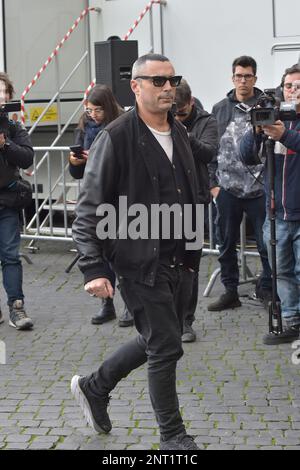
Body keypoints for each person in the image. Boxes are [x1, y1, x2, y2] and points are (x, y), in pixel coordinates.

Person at [71, 53, 201, 450]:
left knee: (158, 337)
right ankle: (173, 437)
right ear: (136, 86)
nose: (167, 88)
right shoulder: (117, 136)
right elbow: (88, 208)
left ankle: (95, 387)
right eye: (157, 81)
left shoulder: (178, 131)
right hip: (138, 260)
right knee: (165, 346)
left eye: (171, 80)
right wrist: (94, 268)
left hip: (181, 257)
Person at [240, 64, 300, 344]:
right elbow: (248, 157)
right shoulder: (275, 119)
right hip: (276, 214)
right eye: (289, 86)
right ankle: (292, 321)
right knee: (281, 271)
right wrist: (256, 131)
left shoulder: (286, 129)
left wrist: (284, 136)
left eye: (299, 86)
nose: (294, 91)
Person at [207, 55, 272, 312]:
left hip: (260, 190)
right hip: (227, 189)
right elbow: (210, 149)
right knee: (226, 243)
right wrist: (213, 184)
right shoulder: (220, 108)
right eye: (238, 76)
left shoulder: (266, 106)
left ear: (255, 78)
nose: (242, 80)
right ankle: (230, 291)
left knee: (267, 244)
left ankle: (268, 290)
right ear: (232, 78)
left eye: (247, 76)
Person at [69, 84, 134, 327]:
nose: (93, 115)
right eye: (89, 110)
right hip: (95, 196)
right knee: (102, 252)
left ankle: (129, 304)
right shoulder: (84, 126)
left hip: (120, 199)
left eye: (97, 110)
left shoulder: (121, 125)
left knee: (123, 252)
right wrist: (75, 160)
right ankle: (107, 303)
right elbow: (75, 173)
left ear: (107, 107)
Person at [175, 79, 218, 342]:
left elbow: (209, 153)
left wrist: (182, 133)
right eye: (173, 111)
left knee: (189, 264)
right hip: (164, 202)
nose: (176, 115)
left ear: (191, 102)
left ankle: (185, 322)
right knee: (165, 261)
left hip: (193, 201)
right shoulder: (160, 119)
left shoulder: (206, 121)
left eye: (180, 111)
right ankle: (164, 318)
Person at [0, 72, 34, 330]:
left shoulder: (12, 127)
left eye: (4, 92)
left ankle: (17, 308)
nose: (1, 96)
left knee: (11, 256)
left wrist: (5, 145)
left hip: (6, 202)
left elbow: (26, 158)